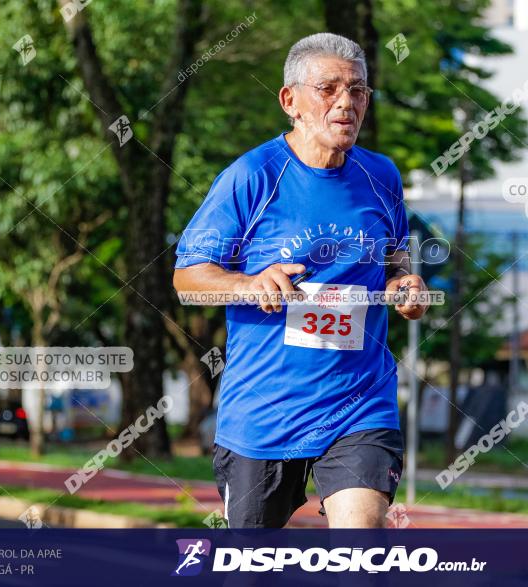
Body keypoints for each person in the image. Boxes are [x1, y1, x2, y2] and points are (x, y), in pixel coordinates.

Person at [173, 32, 428, 529]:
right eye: (328, 89)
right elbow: (187, 279)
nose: (345, 103)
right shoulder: (253, 176)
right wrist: (247, 285)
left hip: (361, 402)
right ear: (290, 100)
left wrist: (402, 283)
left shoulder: (382, 176)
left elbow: (395, 257)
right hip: (266, 411)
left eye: (358, 91)